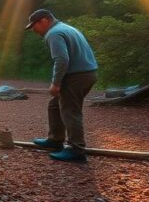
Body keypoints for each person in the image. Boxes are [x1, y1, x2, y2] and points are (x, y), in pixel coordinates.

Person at [25, 9, 98, 162]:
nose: (33, 29)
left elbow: (62, 59)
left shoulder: (54, 33)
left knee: (70, 111)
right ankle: (55, 139)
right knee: (55, 105)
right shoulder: (67, 28)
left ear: (45, 20)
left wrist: (56, 83)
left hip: (76, 76)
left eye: (34, 25)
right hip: (88, 73)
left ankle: (77, 150)